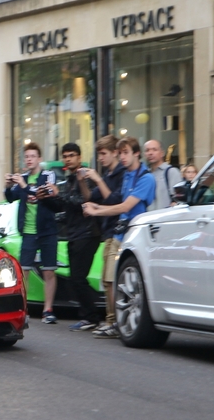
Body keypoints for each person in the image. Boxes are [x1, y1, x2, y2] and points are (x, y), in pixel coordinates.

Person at [83, 137, 156, 336]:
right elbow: (115, 201)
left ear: (136, 154)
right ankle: (114, 321)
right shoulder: (127, 176)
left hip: (136, 235)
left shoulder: (146, 178)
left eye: (126, 152)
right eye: (120, 153)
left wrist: (96, 211)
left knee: (126, 283)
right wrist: (95, 206)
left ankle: (118, 322)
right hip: (120, 232)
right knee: (110, 280)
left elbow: (125, 207)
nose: (122, 157)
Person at [41, 142, 102, 331]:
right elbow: (64, 209)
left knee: (78, 278)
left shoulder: (86, 177)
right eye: (65, 156)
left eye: (72, 155)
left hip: (88, 233)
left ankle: (91, 316)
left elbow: (84, 201)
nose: (68, 159)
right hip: (74, 234)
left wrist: (59, 194)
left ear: (79, 157)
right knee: (76, 279)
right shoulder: (69, 180)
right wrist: (46, 199)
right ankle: (89, 316)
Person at [4, 142, 59, 324]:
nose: (29, 159)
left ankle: (48, 310)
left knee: (49, 271)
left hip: (47, 231)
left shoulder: (47, 176)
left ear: (40, 159)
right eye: (26, 156)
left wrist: (24, 185)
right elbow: (11, 198)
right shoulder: (23, 178)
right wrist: (7, 186)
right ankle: (23, 309)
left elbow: (43, 194)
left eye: (33, 156)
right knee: (24, 271)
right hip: (28, 232)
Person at [79, 135, 125, 338]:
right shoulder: (108, 174)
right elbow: (91, 197)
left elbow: (114, 201)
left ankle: (113, 322)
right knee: (108, 281)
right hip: (107, 231)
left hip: (119, 230)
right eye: (99, 154)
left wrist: (97, 179)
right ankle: (111, 321)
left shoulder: (122, 174)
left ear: (115, 152)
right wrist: (82, 181)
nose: (101, 158)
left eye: (104, 153)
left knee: (110, 280)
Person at [144, 139, 182, 210]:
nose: (150, 153)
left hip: (165, 218)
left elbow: (179, 199)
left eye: (154, 150)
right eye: (147, 150)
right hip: (148, 218)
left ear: (162, 153)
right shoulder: (145, 174)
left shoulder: (171, 172)